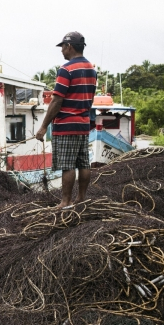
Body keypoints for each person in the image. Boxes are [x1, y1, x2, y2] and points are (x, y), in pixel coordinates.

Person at [35, 31, 97, 208]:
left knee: (67, 165)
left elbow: (57, 100)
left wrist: (43, 127)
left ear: (69, 46)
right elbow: (91, 99)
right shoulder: (91, 69)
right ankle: (82, 197)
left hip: (66, 125)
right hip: (83, 125)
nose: (62, 50)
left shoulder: (66, 69)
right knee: (83, 162)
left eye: (62, 47)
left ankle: (66, 201)